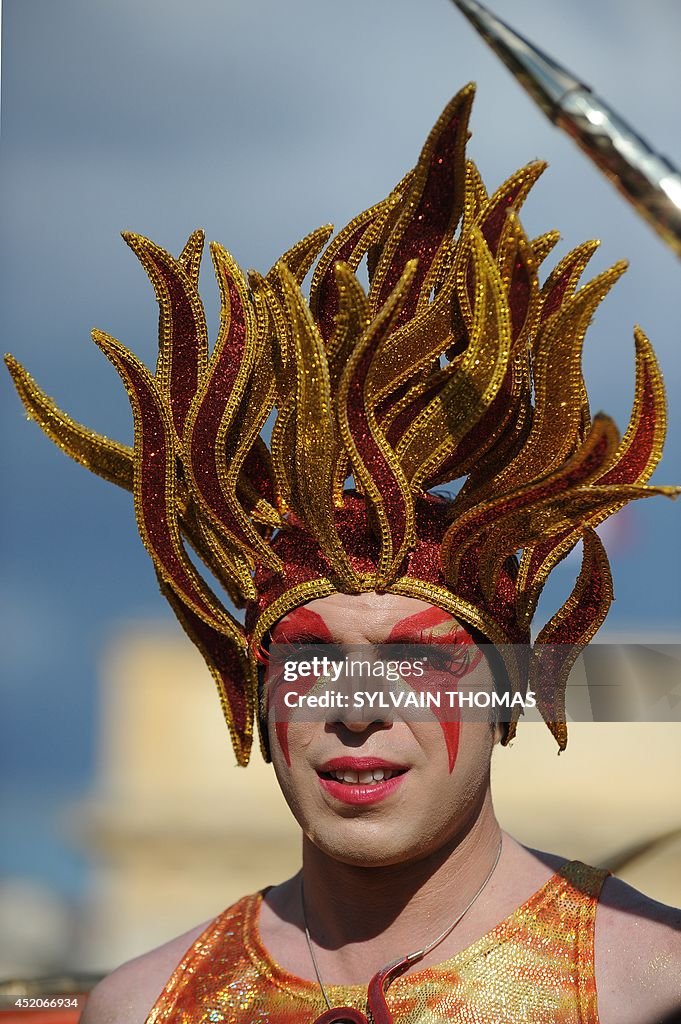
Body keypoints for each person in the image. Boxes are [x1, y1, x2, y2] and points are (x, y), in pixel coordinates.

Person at [7, 84, 681, 1023]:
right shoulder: (146, 1003)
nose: (357, 712)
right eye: (313, 661)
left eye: (413, 660)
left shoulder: (648, 987)